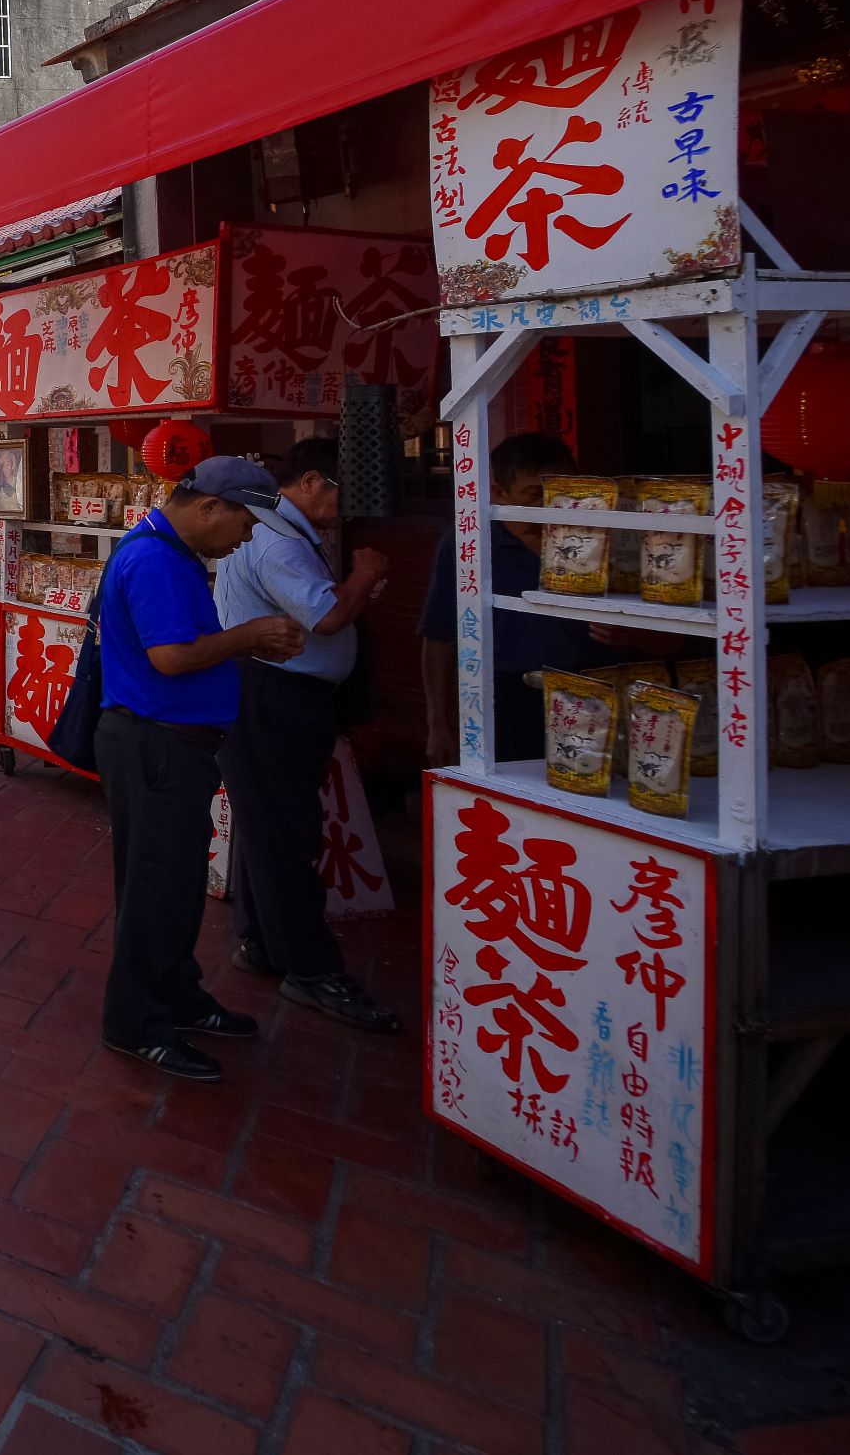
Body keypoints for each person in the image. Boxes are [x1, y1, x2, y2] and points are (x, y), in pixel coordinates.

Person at [95, 456, 312, 1084]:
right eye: (245, 521)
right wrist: (252, 637)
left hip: (170, 745)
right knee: (155, 887)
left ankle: (177, 994)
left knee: (178, 882)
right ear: (209, 507)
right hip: (154, 746)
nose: (247, 536)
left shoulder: (169, 552)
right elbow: (170, 657)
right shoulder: (155, 559)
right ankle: (134, 1022)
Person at [215, 439, 399, 1033]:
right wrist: (363, 575)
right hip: (270, 695)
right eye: (343, 492)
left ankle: (263, 942)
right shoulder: (276, 540)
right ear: (314, 481)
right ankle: (311, 969)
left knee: (268, 825)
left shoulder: (285, 532)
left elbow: (321, 611)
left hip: (276, 694)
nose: (345, 508)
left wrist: (355, 591)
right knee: (287, 832)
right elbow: (324, 617)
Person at [418, 433, 608, 764]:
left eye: (563, 492)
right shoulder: (469, 545)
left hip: (595, 696)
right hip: (507, 700)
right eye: (535, 495)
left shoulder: (599, 537)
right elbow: (439, 638)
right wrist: (437, 722)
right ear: (499, 493)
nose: (552, 505)